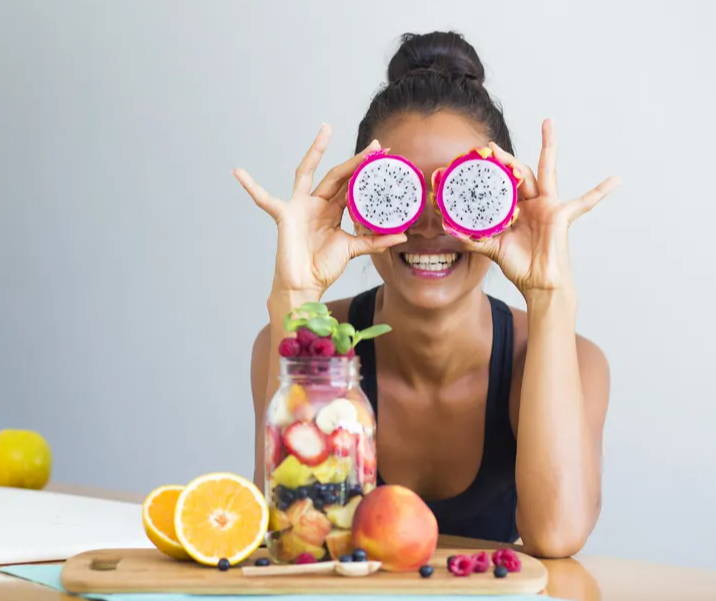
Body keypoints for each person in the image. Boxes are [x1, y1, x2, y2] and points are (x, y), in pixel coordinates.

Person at [233, 31, 620, 558]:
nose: (430, 224)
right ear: (352, 200)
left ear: (509, 205)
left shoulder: (572, 361)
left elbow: (556, 535)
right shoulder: (297, 343)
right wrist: (296, 296)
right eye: (396, 191)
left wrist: (550, 295)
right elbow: (300, 533)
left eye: (468, 193)